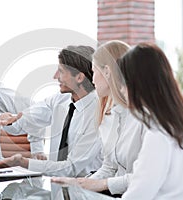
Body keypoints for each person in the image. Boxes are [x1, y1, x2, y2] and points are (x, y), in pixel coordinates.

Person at [0, 45, 103, 177]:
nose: (55, 76)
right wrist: (8, 120)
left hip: (86, 191)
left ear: (79, 78)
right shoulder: (59, 100)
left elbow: (71, 168)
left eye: (61, 71)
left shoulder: (98, 113)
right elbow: (24, 123)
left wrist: (21, 162)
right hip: (56, 189)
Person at [52, 40, 146, 197]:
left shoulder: (143, 118)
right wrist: (81, 185)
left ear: (107, 72)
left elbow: (145, 176)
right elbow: (109, 167)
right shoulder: (110, 115)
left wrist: (100, 184)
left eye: (94, 71)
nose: (92, 79)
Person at [117, 43, 183, 199]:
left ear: (138, 84)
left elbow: (138, 195)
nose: (121, 89)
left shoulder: (158, 134)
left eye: (123, 82)